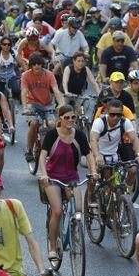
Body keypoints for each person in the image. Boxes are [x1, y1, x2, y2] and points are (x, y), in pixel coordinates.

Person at [40, 105, 97, 260]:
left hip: (71, 177)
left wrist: (93, 171)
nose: (71, 120)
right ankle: (52, 247)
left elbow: (89, 154)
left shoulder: (79, 135)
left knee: (78, 209)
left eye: (73, 117)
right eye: (67, 117)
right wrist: (44, 175)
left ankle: (75, 231)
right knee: (57, 211)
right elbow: (42, 156)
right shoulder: (52, 135)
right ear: (60, 119)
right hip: (53, 178)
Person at [90, 99, 139, 189]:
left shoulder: (125, 122)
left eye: (118, 115)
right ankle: (90, 196)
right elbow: (93, 139)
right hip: (97, 152)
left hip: (113, 155)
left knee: (119, 183)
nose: (115, 117)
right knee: (93, 176)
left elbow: (134, 139)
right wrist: (97, 156)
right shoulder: (99, 122)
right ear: (107, 112)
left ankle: (126, 191)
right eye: (112, 114)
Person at [21, 53, 64, 162]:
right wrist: (25, 107)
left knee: (52, 124)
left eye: (39, 64)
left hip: (47, 105)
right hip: (33, 104)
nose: (37, 66)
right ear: (31, 65)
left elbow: (56, 90)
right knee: (34, 123)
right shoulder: (26, 75)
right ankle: (29, 150)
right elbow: (23, 92)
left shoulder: (49, 75)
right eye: (34, 64)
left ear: (42, 64)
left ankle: (52, 149)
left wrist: (60, 104)